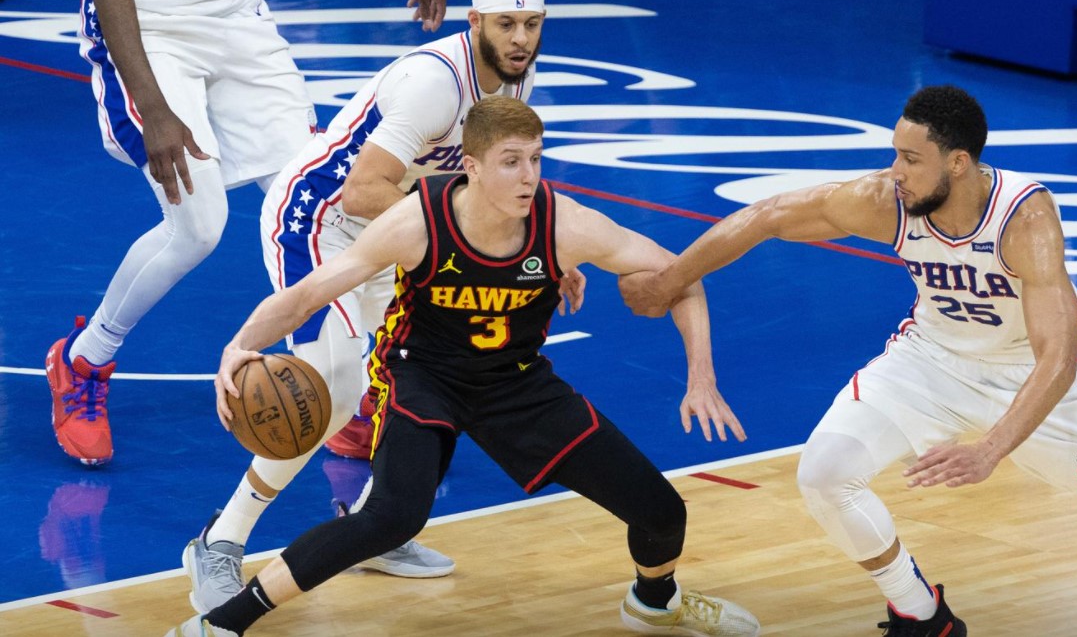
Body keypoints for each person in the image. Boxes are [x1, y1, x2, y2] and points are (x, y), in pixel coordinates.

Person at [618, 85, 1077, 636]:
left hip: (1037, 381)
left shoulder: (1024, 217)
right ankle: (923, 617)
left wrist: (990, 450)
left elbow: (1057, 358)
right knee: (824, 473)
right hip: (932, 360)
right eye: (895, 153)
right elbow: (768, 216)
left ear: (959, 162)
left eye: (910, 159)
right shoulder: (886, 200)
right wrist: (673, 278)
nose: (895, 170)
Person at [166, 96, 760, 637]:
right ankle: (222, 623)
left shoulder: (566, 225)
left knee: (662, 511)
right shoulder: (417, 222)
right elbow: (308, 293)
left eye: (535, 158)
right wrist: (237, 346)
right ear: (471, 167)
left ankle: (654, 601)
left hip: (515, 381)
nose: (529, 176)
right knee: (391, 517)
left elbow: (682, 279)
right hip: (422, 375)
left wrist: (700, 378)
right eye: (510, 162)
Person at [181, 0, 583, 613]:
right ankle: (219, 543)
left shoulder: (515, 78)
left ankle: (375, 526)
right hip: (322, 219)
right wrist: (464, 234)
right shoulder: (435, 81)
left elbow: (492, 177)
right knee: (333, 391)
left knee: (438, 370)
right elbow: (362, 190)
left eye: (532, 24)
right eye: (507, 23)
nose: (520, 39)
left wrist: (543, 247)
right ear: (476, 18)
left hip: (406, 225)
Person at [47, 0, 448, 467]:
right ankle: (84, 359)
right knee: (198, 228)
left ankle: (355, 388)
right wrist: (156, 109)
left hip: (238, 21)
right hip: (149, 25)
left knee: (327, 206)